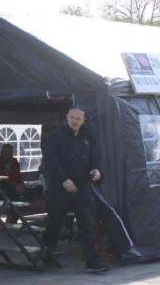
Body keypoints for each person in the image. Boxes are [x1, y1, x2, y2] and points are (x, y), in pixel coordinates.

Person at [42, 106, 108, 274]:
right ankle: (46, 255)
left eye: (78, 118)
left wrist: (97, 170)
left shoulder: (88, 137)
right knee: (54, 222)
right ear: (67, 117)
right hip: (60, 186)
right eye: (72, 117)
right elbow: (50, 161)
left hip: (83, 185)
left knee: (87, 223)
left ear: (83, 120)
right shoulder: (56, 137)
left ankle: (92, 262)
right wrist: (63, 179)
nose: (75, 121)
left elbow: (96, 157)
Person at [0, 144, 26, 223]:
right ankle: (11, 215)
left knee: (17, 193)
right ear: (2, 152)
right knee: (10, 191)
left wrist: (18, 184)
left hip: (12, 185)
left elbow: (17, 176)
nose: (7, 154)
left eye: (9, 152)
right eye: (5, 152)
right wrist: (6, 172)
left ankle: (14, 217)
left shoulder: (14, 162)